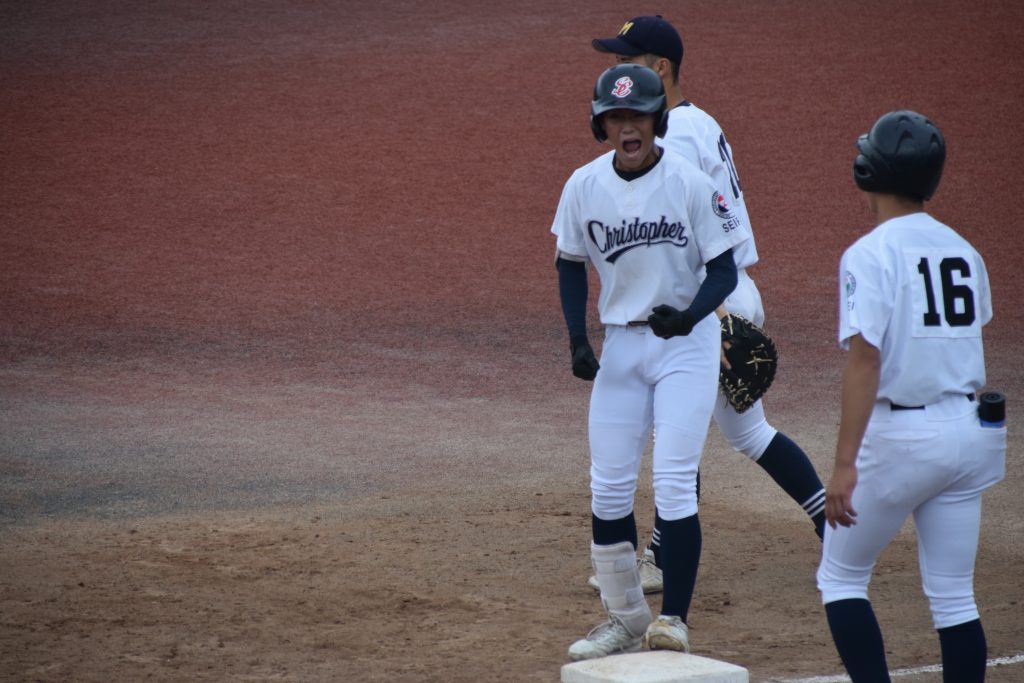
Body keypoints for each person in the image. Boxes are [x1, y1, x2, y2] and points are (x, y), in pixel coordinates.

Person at [587, 14, 827, 595]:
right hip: (726, 293)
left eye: (629, 60)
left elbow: (685, 235)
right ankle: (834, 526)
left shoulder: (676, 135)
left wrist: (710, 320)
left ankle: (660, 560)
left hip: (708, 300)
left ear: (661, 68)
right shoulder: (699, 121)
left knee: (678, 428)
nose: (617, 70)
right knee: (746, 433)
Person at [552, 63, 752, 660]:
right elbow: (568, 262)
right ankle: (624, 620)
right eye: (615, 117)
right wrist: (577, 339)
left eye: (636, 116)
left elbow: (724, 270)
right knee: (608, 488)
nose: (626, 127)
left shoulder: (689, 182)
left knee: (673, 484)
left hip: (686, 347)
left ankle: (674, 621)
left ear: (656, 120)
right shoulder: (583, 185)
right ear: (601, 126)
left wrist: (690, 317)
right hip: (622, 342)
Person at [817, 110, 1005, 683]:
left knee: (841, 579)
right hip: (971, 437)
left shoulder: (869, 253)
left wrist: (844, 464)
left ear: (869, 171)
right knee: (954, 596)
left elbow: (866, 360)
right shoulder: (964, 249)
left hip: (902, 439)